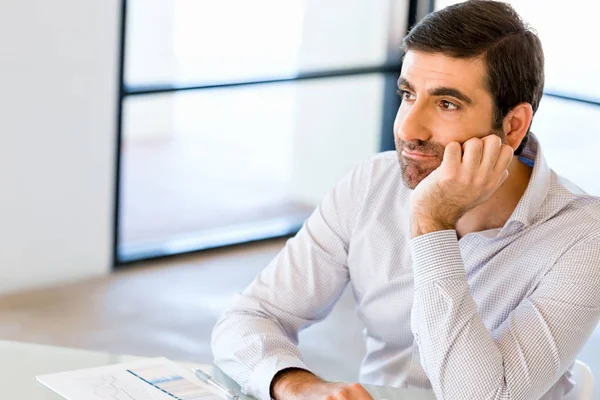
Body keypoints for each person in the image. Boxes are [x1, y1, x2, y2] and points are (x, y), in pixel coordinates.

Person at [211, 1, 600, 399]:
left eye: (447, 104)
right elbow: (251, 317)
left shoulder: (583, 236)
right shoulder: (371, 185)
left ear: (513, 126)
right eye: (408, 94)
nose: (408, 127)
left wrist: (432, 224)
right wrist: (297, 386)